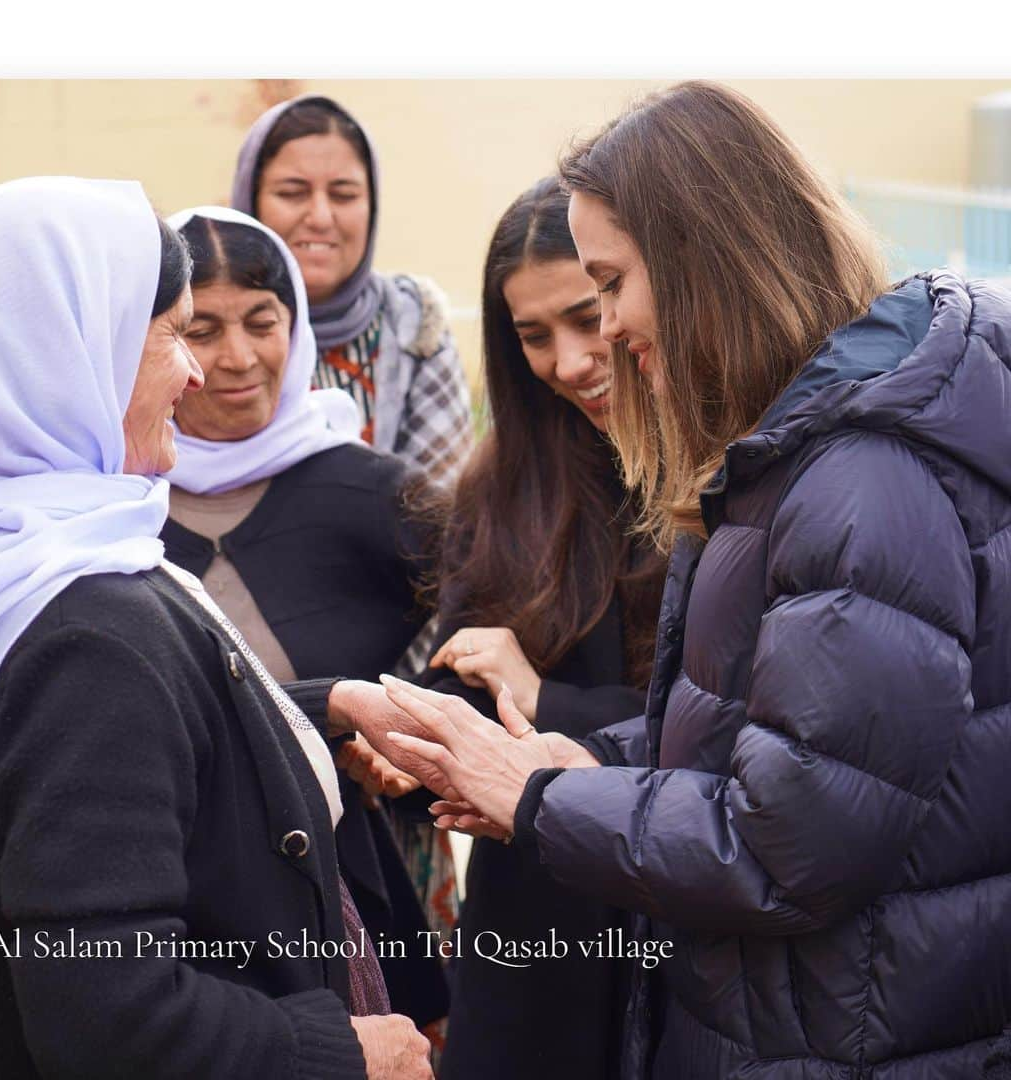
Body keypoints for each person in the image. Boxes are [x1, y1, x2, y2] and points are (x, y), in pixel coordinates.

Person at [370, 81, 1011, 1079]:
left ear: (701, 259)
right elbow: (767, 744)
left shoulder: (861, 482)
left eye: (612, 284)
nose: (609, 332)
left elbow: (788, 849)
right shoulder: (798, 459)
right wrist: (573, 761)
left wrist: (542, 793)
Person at [0, 176, 432, 1080]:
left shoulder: (10, 562)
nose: (202, 371)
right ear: (72, 353)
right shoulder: (82, 626)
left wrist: (331, 705)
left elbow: (151, 726)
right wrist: (332, 1050)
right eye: (174, 332)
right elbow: (107, 1007)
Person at [158, 204, 451, 1033]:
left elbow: (476, 634)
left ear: (297, 323)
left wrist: (402, 732)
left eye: (262, 321)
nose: (238, 357)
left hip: (364, 880)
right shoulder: (117, 498)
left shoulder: (377, 493)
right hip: (188, 900)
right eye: (200, 328)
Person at [416, 177, 666, 1080]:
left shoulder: (726, 476)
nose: (566, 360)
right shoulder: (504, 482)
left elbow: (743, 730)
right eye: (531, 336)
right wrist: (414, 736)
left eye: (586, 314)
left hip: (674, 917)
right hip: (531, 934)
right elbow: (464, 666)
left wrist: (542, 694)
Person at [230, 94, 473, 490]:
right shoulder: (204, 327)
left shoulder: (414, 324)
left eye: (344, 195)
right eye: (292, 193)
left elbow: (441, 506)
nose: (321, 218)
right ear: (250, 201)